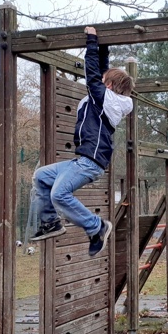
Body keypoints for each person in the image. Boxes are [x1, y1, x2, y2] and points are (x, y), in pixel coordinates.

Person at [30, 26, 134, 257]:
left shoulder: (103, 98)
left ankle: (97, 227)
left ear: (107, 86)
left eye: (102, 81)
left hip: (90, 162)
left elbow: (93, 72)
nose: (98, 81)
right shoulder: (106, 98)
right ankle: (50, 222)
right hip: (82, 160)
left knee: (59, 194)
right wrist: (103, 46)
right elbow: (103, 72)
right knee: (41, 176)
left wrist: (91, 41)